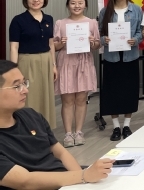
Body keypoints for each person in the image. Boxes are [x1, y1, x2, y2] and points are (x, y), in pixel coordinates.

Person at [0, 60, 113, 189]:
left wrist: (83, 183)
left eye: (24, 83)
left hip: (66, 182)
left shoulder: (31, 116)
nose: (25, 90)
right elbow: (25, 181)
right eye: (16, 86)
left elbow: (60, 153)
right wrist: (83, 176)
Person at [53, 0, 101, 147]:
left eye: (80, 3)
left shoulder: (91, 23)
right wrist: (62, 43)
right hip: (66, 62)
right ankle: (68, 134)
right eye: (73, 3)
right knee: (67, 100)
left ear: (85, 5)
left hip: (84, 63)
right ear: (68, 5)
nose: (77, 6)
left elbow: (97, 45)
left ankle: (79, 132)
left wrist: (93, 42)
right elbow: (54, 46)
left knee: (81, 99)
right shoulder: (61, 23)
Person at [98, 0, 143, 141]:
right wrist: (104, 40)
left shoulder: (136, 9)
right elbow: (100, 32)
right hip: (112, 57)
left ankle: (127, 125)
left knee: (129, 91)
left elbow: (141, 31)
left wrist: (135, 39)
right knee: (113, 92)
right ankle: (116, 126)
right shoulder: (105, 11)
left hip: (130, 56)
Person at [8, 0, 57, 129]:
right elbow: (14, 47)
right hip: (26, 61)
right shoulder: (18, 20)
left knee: (46, 97)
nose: (36, 0)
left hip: (46, 61)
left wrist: (54, 65)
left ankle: (45, 130)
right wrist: (14, 70)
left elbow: (51, 44)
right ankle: (28, 130)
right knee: (28, 97)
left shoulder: (49, 19)